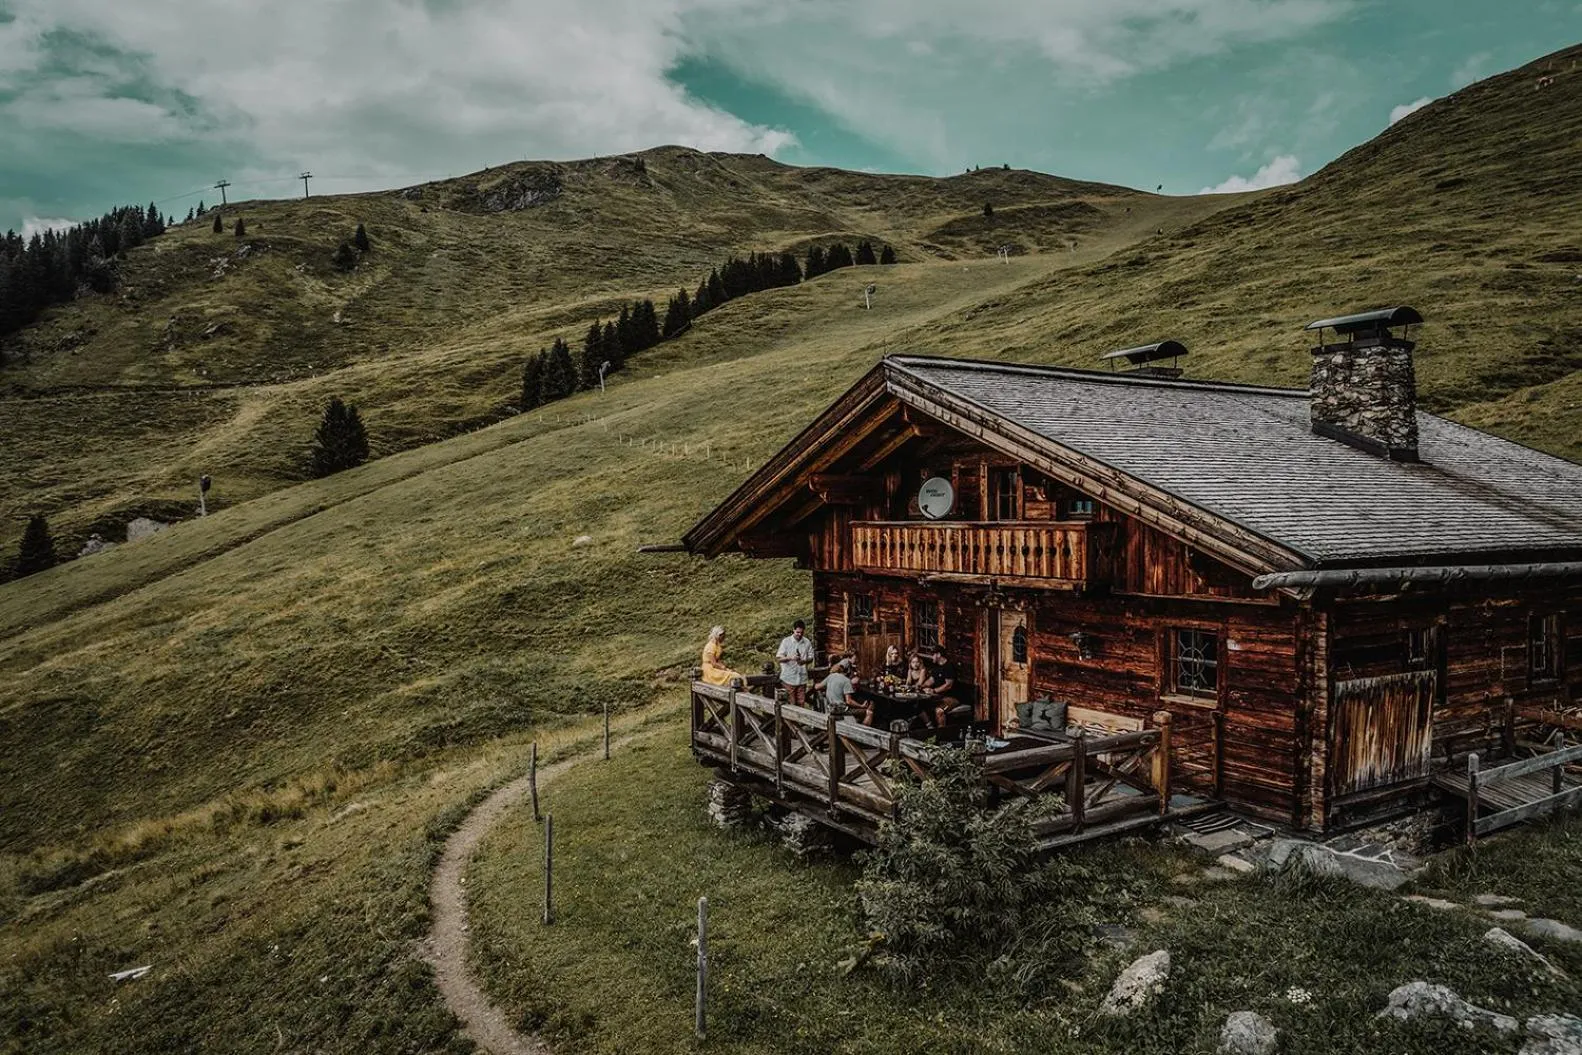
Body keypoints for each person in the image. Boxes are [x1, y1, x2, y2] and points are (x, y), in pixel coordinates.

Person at [817, 659, 873, 725]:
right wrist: (861, 706)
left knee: (856, 710)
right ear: (848, 671)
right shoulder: (846, 680)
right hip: (841, 710)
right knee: (869, 712)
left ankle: (857, 724)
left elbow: (816, 687)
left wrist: (830, 686)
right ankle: (863, 731)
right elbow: (848, 701)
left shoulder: (831, 676)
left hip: (830, 707)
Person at [775, 619, 816, 706]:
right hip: (789, 678)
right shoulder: (786, 642)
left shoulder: (807, 642)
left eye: (801, 632)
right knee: (791, 704)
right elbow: (779, 658)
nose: (799, 635)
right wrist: (790, 658)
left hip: (802, 678)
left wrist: (803, 661)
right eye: (797, 632)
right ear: (793, 630)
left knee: (801, 703)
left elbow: (811, 658)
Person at [923, 648, 964, 728]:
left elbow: (948, 685)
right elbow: (931, 680)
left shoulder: (949, 667)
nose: (932, 657)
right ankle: (931, 730)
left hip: (953, 697)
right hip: (940, 697)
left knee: (939, 711)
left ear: (938, 654)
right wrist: (921, 686)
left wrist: (934, 690)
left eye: (933, 655)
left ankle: (941, 734)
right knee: (923, 706)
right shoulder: (936, 667)